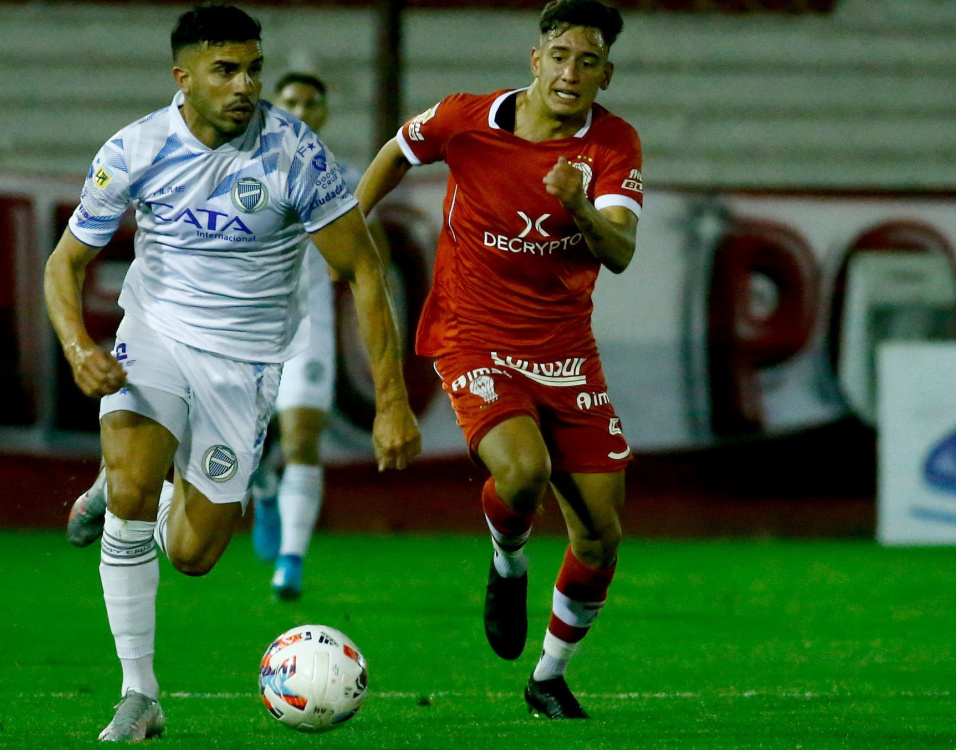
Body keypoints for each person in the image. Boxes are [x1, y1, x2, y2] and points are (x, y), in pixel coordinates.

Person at [47, 5, 420, 742]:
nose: (245, 83)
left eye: (253, 68)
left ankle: (140, 488)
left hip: (244, 365)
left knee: (191, 554)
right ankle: (140, 693)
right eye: (226, 70)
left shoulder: (296, 157)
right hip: (153, 334)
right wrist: (77, 345)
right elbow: (66, 262)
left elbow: (364, 272)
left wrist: (391, 402)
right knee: (128, 491)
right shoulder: (135, 148)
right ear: (183, 78)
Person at [355, 0, 641, 721]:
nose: (572, 72)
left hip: (565, 349)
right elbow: (398, 150)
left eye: (589, 61)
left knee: (600, 535)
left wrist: (578, 208)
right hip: (472, 331)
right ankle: (507, 561)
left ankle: (547, 676)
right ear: (536, 60)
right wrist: (351, 223)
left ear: (606, 75)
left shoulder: (613, 144)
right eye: (561, 56)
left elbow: (621, 253)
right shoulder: (465, 119)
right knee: (523, 471)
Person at [249, 71, 363, 601]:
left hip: (307, 328)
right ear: (275, 106)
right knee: (235, 443)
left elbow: (369, 252)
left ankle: (290, 563)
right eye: (290, 99)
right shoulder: (240, 167)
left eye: (311, 102)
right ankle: (263, 484)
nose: (300, 108)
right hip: (241, 326)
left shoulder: (342, 178)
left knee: (300, 439)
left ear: (322, 115)